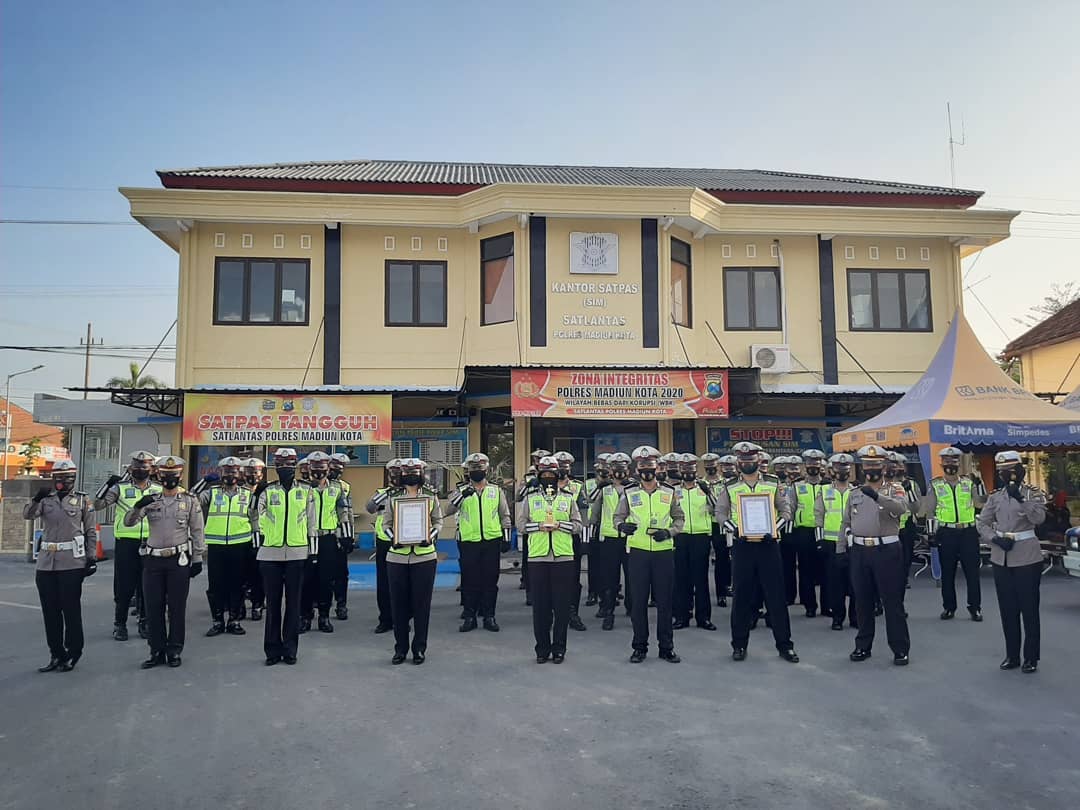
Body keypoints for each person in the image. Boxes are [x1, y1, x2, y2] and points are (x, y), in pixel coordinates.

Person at [715, 442, 799, 663]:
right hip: (742, 545)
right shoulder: (729, 486)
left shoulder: (772, 483)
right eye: (743, 461)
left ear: (758, 461)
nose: (747, 464)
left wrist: (775, 528)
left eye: (751, 460)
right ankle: (739, 645)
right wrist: (735, 530)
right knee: (741, 597)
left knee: (776, 596)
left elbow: (786, 509)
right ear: (738, 463)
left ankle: (785, 645)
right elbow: (721, 513)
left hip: (768, 545)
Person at [125, 455, 205, 669]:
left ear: (179, 476)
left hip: (178, 561)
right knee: (153, 607)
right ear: (158, 475)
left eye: (174, 475)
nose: (170, 479)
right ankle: (156, 650)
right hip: (153, 560)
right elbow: (129, 522)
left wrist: (197, 558)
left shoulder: (189, 500)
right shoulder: (151, 500)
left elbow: (197, 531)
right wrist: (137, 506)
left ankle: (174, 650)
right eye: (166, 475)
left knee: (177, 608)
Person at [978, 451, 1047, 673]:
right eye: (1001, 472)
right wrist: (994, 538)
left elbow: (1038, 519)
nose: (1006, 475)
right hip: (1002, 557)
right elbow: (982, 523)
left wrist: (1020, 498)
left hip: (1027, 557)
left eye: (1009, 471)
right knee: (1008, 610)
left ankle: (1031, 657)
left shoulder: (1033, 494)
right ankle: (1012, 655)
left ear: (1019, 471)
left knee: (1029, 609)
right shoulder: (995, 496)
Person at [614, 446, 685, 664]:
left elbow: (679, 518)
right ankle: (639, 647)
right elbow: (617, 516)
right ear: (637, 469)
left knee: (665, 602)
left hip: (663, 552)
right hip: (638, 553)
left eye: (650, 466)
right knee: (638, 603)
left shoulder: (669, 492)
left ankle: (666, 647)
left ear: (657, 468)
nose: (647, 470)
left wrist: (670, 532)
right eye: (642, 466)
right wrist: (621, 527)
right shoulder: (629, 492)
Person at [25, 459, 96, 672]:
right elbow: (27, 515)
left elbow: (90, 531)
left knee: (70, 610)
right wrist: (36, 498)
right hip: (47, 563)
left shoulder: (83, 500)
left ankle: (73, 652)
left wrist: (91, 558)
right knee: (50, 611)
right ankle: (56, 653)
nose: (62, 482)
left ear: (73, 479)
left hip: (72, 563)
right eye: (59, 478)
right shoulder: (46, 500)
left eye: (67, 478)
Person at [842, 446, 911, 666]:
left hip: (887, 551)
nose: (871, 469)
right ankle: (863, 645)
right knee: (862, 601)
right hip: (861, 551)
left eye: (876, 464)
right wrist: (841, 549)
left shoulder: (895, 489)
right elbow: (846, 522)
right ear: (862, 467)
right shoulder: (854, 493)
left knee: (892, 602)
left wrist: (878, 496)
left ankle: (900, 648)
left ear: (884, 467)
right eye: (868, 465)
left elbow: (902, 509)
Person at [254, 448, 315, 666]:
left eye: (289, 465)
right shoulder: (267, 490)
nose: (284, 469)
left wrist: (313, 552)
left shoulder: (306, 490)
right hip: (270, 554)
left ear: (295, 466)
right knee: (272, 604)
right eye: (280, 465)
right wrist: (258, 543)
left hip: (297, 553)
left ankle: (290, 649)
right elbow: (255, 518)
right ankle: (272, 650)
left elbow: (311, 522)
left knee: (293, 604)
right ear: (275, 467)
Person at [517, 456, 581, 663]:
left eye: (551, 475)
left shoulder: (568, 498)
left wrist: (560, 526)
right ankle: (542, 649)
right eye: (543, 475)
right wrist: (539, 527)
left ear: (557, 476)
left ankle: (559, 648)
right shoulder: (531, 498)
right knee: (541, 607)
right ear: (538, 476)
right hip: (538, 557)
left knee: (561, 606)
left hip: (563, 557)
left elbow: (578, 525)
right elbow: (520, 525)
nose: (548, 479)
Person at [95, 449, 159, 642]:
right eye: (137, 466)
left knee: (147, 585)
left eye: (144, 466)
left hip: (151, 542)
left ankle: (145, 622)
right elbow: (97, 505)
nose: (140, 469)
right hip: (126, 542)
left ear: (152, 469)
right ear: (131, 468)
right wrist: (107, 485)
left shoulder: (157, 489)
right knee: (124, 586)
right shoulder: (119, 488)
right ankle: (119, 624)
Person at [382, 458, 442, 665]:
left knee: (422, 606)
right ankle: (400, 649)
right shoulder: (393, 497)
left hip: (424, 557)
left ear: (421, 474)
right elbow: (386, 524)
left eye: (414, 472)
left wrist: (431, 536)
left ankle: (419, 648)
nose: (410, 476)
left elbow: (438, 521)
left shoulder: (430, 496)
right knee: (398, 606)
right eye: (407, 472)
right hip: (397, 558)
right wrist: (393, 538)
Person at [446, 452, 512, 633]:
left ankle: (489, 616)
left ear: (486, 469)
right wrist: (462, 496)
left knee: (490, 581)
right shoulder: (460, 491)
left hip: (491, 541)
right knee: (470, 582)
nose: (477, 471)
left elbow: (504, 515)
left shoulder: (496, 491)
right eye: (473, 469)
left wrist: (506, 538)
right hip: (468, 542)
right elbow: (447, 510)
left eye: (480, 468)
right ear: (468, 471)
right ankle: (470, 617)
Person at [922, 446, 987, 621]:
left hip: (968, 531)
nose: (950, 464)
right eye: (947, 461)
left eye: (954, 461)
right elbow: (930, 510)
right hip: (947, 532)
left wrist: (981, 484)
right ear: (941, 463)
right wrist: (931, 533)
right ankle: (949, 607)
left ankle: (975, 608)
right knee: (948, 572)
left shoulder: (968, 482)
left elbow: (981, 503)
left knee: (972, 573)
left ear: (959, 463)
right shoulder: (935, 484)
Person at [198, 456, 253, 637]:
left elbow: (257, 517)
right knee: (216, 586)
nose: (230, 475)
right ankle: (218, 621)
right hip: (216, 545)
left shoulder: (247, 494)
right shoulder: (212, 492)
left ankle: (234, 621)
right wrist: (203, 482)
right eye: (226, 472)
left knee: (237, 585)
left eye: (234, 472)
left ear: (239, 474)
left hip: (240, 545)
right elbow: (192, 499)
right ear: (221, 473)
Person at [300, 451, 349, 634]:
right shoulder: (302, 488)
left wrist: (346, 536)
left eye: (322, 468)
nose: (319, 471)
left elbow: (343, 512)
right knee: (306, 580)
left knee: (326, 579)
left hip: (328, 539)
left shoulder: (337, 488)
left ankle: (324, 616)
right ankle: (305, 616)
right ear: (309, 468)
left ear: (328, 468)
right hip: (306, 538)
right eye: (315, 468)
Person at [672, 453, 716, 631]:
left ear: (695, 470)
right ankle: (682, 616)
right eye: (684, 469)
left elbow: (717, 509)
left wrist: (709, 493)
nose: (688, 472)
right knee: (681, 579)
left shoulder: (705, 487)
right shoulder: (674, 490)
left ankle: (703, 618)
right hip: (680, 536)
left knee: (701, 579)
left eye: (691, 468)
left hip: (700, 536)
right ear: (680, 471)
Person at [588, 452, 631, 630]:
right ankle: (607, 610)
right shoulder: (604, 490)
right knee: (609, 578)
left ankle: (632, 607)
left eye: (623, 469)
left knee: (632, 577)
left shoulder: (635, 488)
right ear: (611, 471)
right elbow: (592, 508)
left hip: (630, 538)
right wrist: (600, 486)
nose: (619, 473)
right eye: (616, 469)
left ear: (628, 471)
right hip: (609, 539)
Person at [815, 453, 858, 630]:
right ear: (832, 471)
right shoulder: (824, 491)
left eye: (845, 469)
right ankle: (838, 618)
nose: (842, 472)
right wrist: (819, 541)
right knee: (835, 583)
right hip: (831, 543)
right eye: (838, 469)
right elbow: (818, 516)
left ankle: (855, 618)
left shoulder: (856, 491)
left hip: (853, 543)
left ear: (850, 471)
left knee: (856, 583)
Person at [364, 458, 402, 634]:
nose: (396, 476)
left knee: (402, 584)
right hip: (385, 542)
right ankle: (385, 619)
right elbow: (370, 508)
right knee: (384, 583)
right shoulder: (382, 492)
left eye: (399, 473)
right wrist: (384, 494)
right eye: (393, 473)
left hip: (403, 542)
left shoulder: (409, 492)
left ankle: (402, 619)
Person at [553, 451, 588, 631]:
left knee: (572, 579)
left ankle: (572, 613)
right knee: (551, 579)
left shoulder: (578, 486)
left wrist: (585, 539)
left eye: (565, 466)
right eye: (559, 466)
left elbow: (584, 514)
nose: (562, 469)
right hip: (549, 538)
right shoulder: (545, 486)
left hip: (571, 538)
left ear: (570, 468)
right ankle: (553, 613)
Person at [786, 451, 825, 618]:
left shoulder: (828, 485)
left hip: (824, 531)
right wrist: (788, 534)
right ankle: (809, 605)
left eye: (816, 464)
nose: (813, 467)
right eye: (810, 464)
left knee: (825, 571)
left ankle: (827, 605)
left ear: (821, 465)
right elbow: (790, 509)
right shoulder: (797, 485)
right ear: (805, 466)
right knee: (805, 570)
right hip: (803, 532)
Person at [887, 452, 922, 604]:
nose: (897, 467)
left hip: (906, 526)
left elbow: (916, 508)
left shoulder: (912, 484)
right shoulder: (882, 483)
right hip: (887, 527)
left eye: (900, 464)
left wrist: (909, 491)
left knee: (905, 560)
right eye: (893, 464)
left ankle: (899, 598)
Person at [517, 449, 550, 600]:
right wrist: (528, 484)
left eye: (542, 460)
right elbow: (519, 496)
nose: (539, 463)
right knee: (528, 557)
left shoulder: (552, 477)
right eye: (537, 460)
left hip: (550, 521)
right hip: (532, 520)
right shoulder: (529, 476)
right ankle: (529, 588)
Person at [328, 453, 355, 621]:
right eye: (334, 468)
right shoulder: (314, 486)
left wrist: (349, 536)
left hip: (339, 536)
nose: (336, 473)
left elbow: (348, 513)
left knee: (341, 573)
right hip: (321, 536)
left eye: (340, 470)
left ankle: (341, 604)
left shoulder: (344, 487)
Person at [702, 453, 732, 607]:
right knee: (702, 562)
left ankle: (722, 593)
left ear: (717, 466)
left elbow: (719, 506)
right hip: (704, 526)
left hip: (720, 525)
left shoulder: (725, 483)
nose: (710, 468)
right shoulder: (698, 482)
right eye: (707, 465)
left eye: (712, 465)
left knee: (722, 560)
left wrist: (708, 493)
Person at [242, 457, 267, 621]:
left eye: (257, 472)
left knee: (259, 574)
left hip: (262, 536)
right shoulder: (238, 491)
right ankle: (237, 607)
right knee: (242, 574)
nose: (254, 475)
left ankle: (258, 605)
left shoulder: (268, 490)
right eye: (250, 472)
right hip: (242, 537)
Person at [584, 454, 610, 607]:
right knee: (594, 563)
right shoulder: (589, 484)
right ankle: (592, 592)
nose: (604, 472)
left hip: (609, 526)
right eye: (601, 469)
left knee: (607, 564)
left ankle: (608, 592)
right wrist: (600, 485)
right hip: (593, 526)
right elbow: (590, 499)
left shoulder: (614, 484)